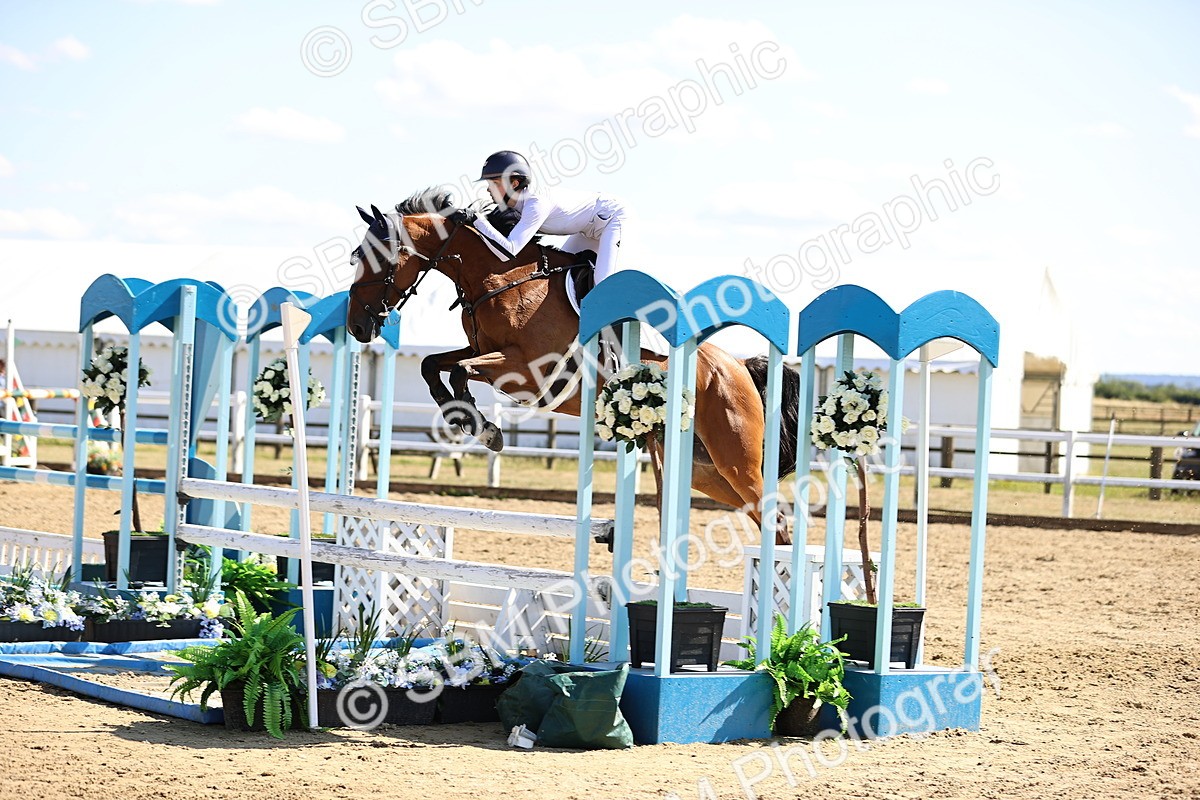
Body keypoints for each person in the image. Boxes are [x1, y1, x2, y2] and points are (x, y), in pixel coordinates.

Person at [455, 150, 629, 285]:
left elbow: (509, 251)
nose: (488, 189)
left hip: (613, 219)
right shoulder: (514, 205)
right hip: (587, 230)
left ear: (514, 183)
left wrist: (477, 220)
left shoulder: (535, 204)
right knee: (565, 277)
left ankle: (632, 319)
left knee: (602, 284)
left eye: (495, 183)